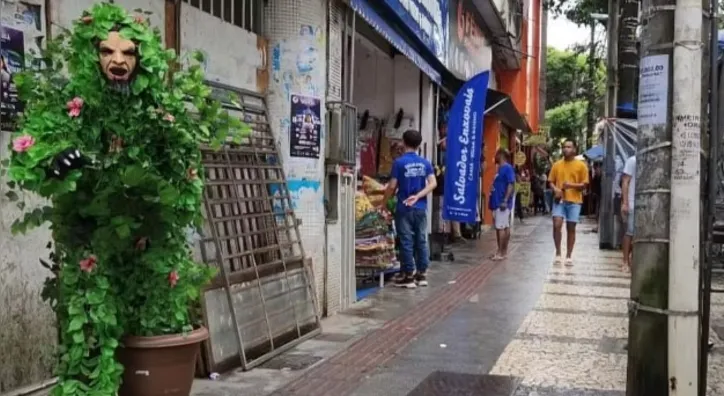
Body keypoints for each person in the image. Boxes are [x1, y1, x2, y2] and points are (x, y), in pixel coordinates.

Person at [383, 129, 437, 288]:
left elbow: (392, 186)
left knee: (406, 241)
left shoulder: (399, 163)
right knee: (421, 239)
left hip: (404, 207)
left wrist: (384, 202)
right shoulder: (425, 163)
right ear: (419, 144)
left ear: (403, 142)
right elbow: (433, 183)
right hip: (420, 208)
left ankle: (408, 276)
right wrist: (419, 196)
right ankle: (422, 274)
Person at [549, 139, 589, 265]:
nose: (566, 149)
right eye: (564, 147)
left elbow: (584, 185)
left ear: (574, 149)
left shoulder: (581, 166)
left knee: (571, 228)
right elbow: (550, 181)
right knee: (557, 224)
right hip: (559, 200)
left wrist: (570, 185)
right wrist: (555, 189)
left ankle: (569, 255)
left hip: (575, 201)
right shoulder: (557, 165)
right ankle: (558, 252)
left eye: (569, 147)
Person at [489, 148, 516, 260]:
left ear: (501, 155)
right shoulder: (500, 169)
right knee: (502, 226)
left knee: (501, 227)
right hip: (497, 202)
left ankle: (501, 252)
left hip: (502, 203)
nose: (495, 156)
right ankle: (501, 251)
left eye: (496, 154)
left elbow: (510, 184)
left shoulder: (507, 168)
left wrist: (505, 199)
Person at [621, 155, 636, 273]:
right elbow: (625, 181)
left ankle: (632, 258)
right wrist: (625, 202)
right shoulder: (632, 161)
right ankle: (625, 261)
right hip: (632, 202)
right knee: (630, 232)